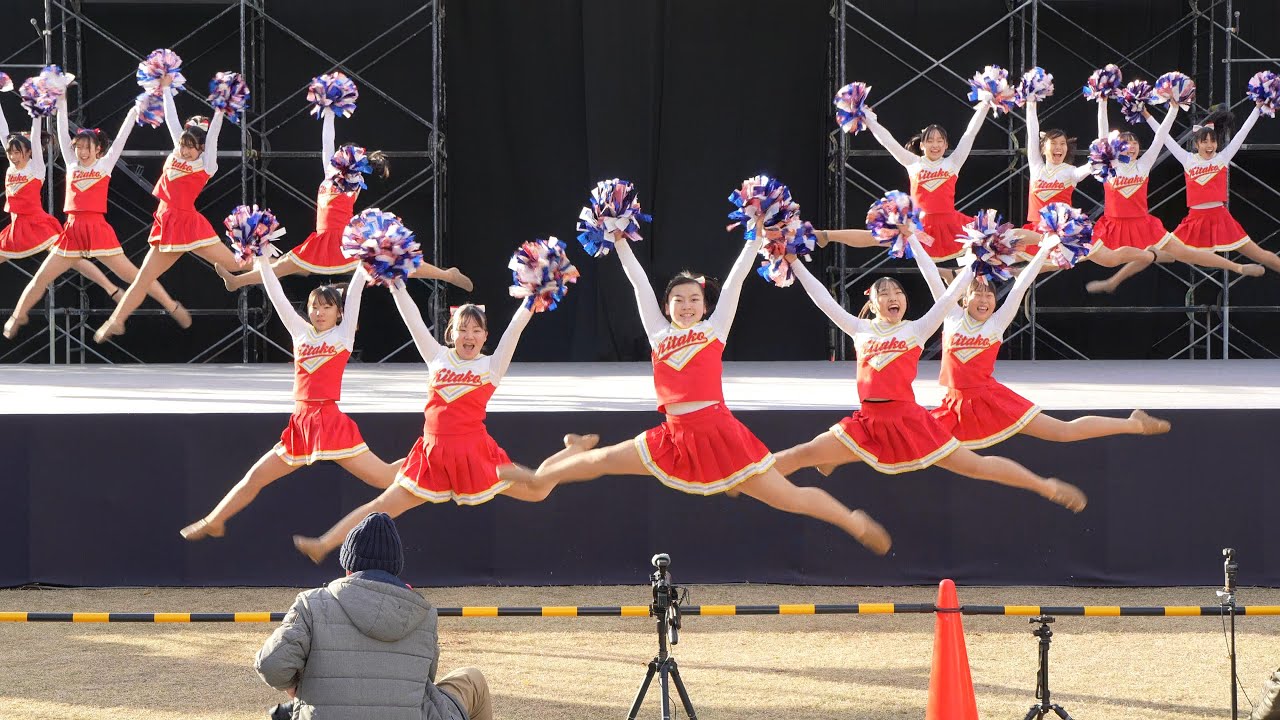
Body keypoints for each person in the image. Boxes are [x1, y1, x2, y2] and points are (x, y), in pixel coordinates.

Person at [498, 226, 893, 555]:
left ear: (705, 306)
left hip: (722, 437)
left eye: (694, 300)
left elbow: (737, 278)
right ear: (667, 305)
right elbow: (637, 282)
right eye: (678, 300)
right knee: (601, 460)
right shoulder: (658, 333)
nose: (686, 306)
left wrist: (756, 234)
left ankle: (851, 520)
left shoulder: (714, 329)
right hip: (672, 436)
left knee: (789, 497)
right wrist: (619, 238)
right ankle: (540, 476)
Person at [772, 249, 1087, 513]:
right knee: (799, 454)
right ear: (874, 302)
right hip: (867, 422)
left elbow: (949, 295)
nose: (894, 297)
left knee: (975, 466)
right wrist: (794, 261)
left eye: (899, 293)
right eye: (885, 293)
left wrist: (975, 258)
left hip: (910, 422)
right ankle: (743, 479)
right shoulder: (860, 330)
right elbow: (823, 300)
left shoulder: (917, 329)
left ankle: (1042, 485)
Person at [293, 280, 584, 563]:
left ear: (485, 336)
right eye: (462, 329)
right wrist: (396, 283)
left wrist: (532, 298)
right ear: (450, 333)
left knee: (537, 490)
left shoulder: (491, 366)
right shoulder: (437, 357)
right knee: (381, 506)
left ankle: (569, 453)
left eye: (476, 330)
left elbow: (514, 329)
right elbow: (413, 320)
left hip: (475, 457)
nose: (468, 336)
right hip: (432, 457)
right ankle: (324, 543)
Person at [180, 249, 401, 541]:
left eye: (326, 307)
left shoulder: (343, 336)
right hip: (300, 425)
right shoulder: (300, 333)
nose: (319, 313)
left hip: (329, 423)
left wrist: (368, 258)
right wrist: (260, 256)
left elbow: (357, 288)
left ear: (339, 313)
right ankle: (214, 520)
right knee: (255, 477)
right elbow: (276, 294)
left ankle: (430, 462)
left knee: (384, 477)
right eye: (314, 307)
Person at [906, 232, 1171, 448]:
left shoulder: (998, 323)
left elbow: (1022, 284)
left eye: (990, 295)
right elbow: (930, 274)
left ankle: (1133, 424)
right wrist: (912, 239)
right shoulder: (951, 316)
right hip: (953, 404)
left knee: (1063, 432)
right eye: (979, 295)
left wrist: (1045, 249)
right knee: (914, 444)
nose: (986, 300)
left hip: (991, 401)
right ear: (964, 299)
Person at [256, 512, 493, 720]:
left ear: (348, 568)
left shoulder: (311, 604)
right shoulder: (425, 614)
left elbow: (270, 665)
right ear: (396, 568)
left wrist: (296, 687)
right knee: (472, 679)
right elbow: (425, 680)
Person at [216, 106, 472, 292]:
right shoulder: (328, 175)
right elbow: (326, 143)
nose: (335, 157)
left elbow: (339, 158)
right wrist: (328, 112)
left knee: (397, 261)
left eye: (341, 156)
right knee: (281, 265)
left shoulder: (352, 184)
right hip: (320, 241)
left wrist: (356, 164)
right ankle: (237, 281)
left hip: (344, 241)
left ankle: (446, 274)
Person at [4, 93, 189, 339]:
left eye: (86, 147)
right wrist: (60, 100)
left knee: (136, 275)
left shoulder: (104, 165)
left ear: (98, 149)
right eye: (78, 147)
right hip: (71, 232)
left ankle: (170, 304)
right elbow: (60, 129)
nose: (81, 152)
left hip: (97, 230)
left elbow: (121, 138)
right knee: (40, 279)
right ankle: (18, 316)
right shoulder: (71, 165)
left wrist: (135, 112)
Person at [93, 75, 243, 343]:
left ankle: (278, 265)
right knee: (142, 279)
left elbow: (215, 134)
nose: (185, 151)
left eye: (191, 147)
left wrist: (220, 106)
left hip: (189, 225)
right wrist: (165, 89)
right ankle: (115, 321)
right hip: (167, 223)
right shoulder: (176, 152)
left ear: (201, 149)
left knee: (235, 264)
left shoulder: (207, 164)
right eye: (184, 145)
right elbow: (172, 120)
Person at [1082, 99, 1262, 294]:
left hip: (1143, 225)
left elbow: (1160, 137)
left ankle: (1237, 267)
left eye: (1135, 143)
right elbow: (1102, 135)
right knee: (1095, 256)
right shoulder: (1109, 165)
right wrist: (1102, 101)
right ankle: (1126, 271)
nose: (1132, 146)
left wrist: (1174, 108)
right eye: (1126, 143)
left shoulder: (1143, 165)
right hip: (1112, 225)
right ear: (1116, 147)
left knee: (1186, 253)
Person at [813, 98, 993, 268]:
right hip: (918, 226)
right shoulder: (913, 163)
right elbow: (888, 142)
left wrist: (986, 103)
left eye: (940, 141)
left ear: (946, 145)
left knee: (994, 241)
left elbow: (969, 134)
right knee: (876, 238)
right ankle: (826, 235)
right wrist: (868, 119)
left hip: (951, 224)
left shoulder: (953, 163)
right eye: (930, 140)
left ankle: (956, 274)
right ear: (922, 145)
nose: (935, 145)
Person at [1013, 97, 1158, 275]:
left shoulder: (1071, 172)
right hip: (1038, 228)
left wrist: (1102, 103)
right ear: (1043, 148)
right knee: (1009, 248)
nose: (1059, 147)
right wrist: (1031, 102)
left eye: (1063, 143)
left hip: (1066, 233)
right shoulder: (1036, 166)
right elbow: (1032, 129)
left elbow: (1096, 159)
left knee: (1110, 259)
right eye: (1054, 143)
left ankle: (1149, 256)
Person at [1143, 105, 1280, 272]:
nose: (1210, 145)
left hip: (1220, 218)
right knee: (1162, 251)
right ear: (1196, 144)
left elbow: (1243, 131)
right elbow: (1163, 136)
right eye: (1205, 141)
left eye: (1213, 141)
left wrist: (1257, 108)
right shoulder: (1187, 159)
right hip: (1194, 220)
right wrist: (1145, 113)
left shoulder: (1222, 158)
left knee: (1259, 254)